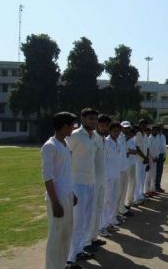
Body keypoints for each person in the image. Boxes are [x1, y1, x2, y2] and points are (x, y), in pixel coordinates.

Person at [42, 112, 78, 269]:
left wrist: (72, 193)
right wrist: (55, 202)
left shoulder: (65, 144)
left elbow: (65, 173)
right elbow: (47, 178)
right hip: (57, 198)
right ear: (64, 126)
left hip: (67, 195)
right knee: (56, 236)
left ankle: (62, 265)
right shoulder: (49, 147)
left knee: (66, 234)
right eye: (72, 125)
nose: (73, 128)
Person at [66, 108, 98, 265]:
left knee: (86, 219)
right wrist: (69, 186)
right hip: (77, 184)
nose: (94, 121)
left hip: (90, 182)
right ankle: (69, 258)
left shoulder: (93, 136)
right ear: (83, 119)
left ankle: (78, 250)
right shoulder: (75, 135)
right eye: (91, 118)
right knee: (77, 221)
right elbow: (65, 157)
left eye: (95, 119)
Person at [89, 114, 111, 245]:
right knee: (92, 210)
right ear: (97, 125)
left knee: (99, 208)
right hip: (93, 180)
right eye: (102, 125)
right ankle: (87, 241)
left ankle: (94, 237)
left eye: (106, 126)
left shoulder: (104, 140)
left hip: (103, 179)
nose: (104, 128)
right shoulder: (93, 139)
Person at [102, 122, 122, 235]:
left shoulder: (117, 141)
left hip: (116, 175)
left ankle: (109, 223)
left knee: (114, 200)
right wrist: (106, 175)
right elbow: (103, 160)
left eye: (118, 131)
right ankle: (102, 226)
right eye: (115, 131)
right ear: (110, 131)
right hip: (108, 176)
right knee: (107, 201)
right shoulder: (106, 142)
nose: (117, 133)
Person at [117, 121, 132, 219]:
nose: (126, 129)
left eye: (128, 128)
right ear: (121, 128)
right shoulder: (118, 137)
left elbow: (126, 153)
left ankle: (121, 209)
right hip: (118, 170)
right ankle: (118, 211)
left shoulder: (124, 138)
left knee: (123, 190)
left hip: (124, 168)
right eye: (124, 128)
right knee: (118, 192)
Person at [133, 120, 149, 205]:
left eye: (145, 125)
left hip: (144, 160)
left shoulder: (145, 135)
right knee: (137, 178)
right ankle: (136, 198)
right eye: (142, 125)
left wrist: (147, 158)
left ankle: (140, 195)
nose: (144, 126)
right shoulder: (137, 135)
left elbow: (147, 148)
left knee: (142, 178)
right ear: (139, 125)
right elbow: (137, 148)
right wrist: (144, 157)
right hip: (138, 160)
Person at [124, 127, 137, 212]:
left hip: (132, 164)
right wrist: (130, 151)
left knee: (132, 183)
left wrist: (130, 151)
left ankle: (129, 202)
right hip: (125, 166)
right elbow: (125, 152)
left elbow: (135, 151)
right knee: (125, 185)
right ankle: (124, 204)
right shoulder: (122, 139)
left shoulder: (132, 140)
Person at [145, 125, 160, 196]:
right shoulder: (149, 138)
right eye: (155, 130)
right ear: (152, 130)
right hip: (150, 159)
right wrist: (153, 157)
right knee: (148, 176)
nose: (156, 132)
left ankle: (152, 190)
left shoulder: (156, 138)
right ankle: (147, 191)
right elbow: (149, 149)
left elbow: (158, 149)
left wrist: (157, 157)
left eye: (157, 130)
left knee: (154, 175)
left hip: (155, 159)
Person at [155, 126, 167, 193]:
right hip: (156, 156)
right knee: (155, 172)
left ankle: (158, 186)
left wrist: (165, 155)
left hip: (162, 155)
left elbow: (164, 146)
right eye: (159, 129)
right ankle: (155, 187)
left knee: (160, 172)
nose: (160, 130)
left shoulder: (163, 136)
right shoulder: (155, 136)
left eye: (161, 129)